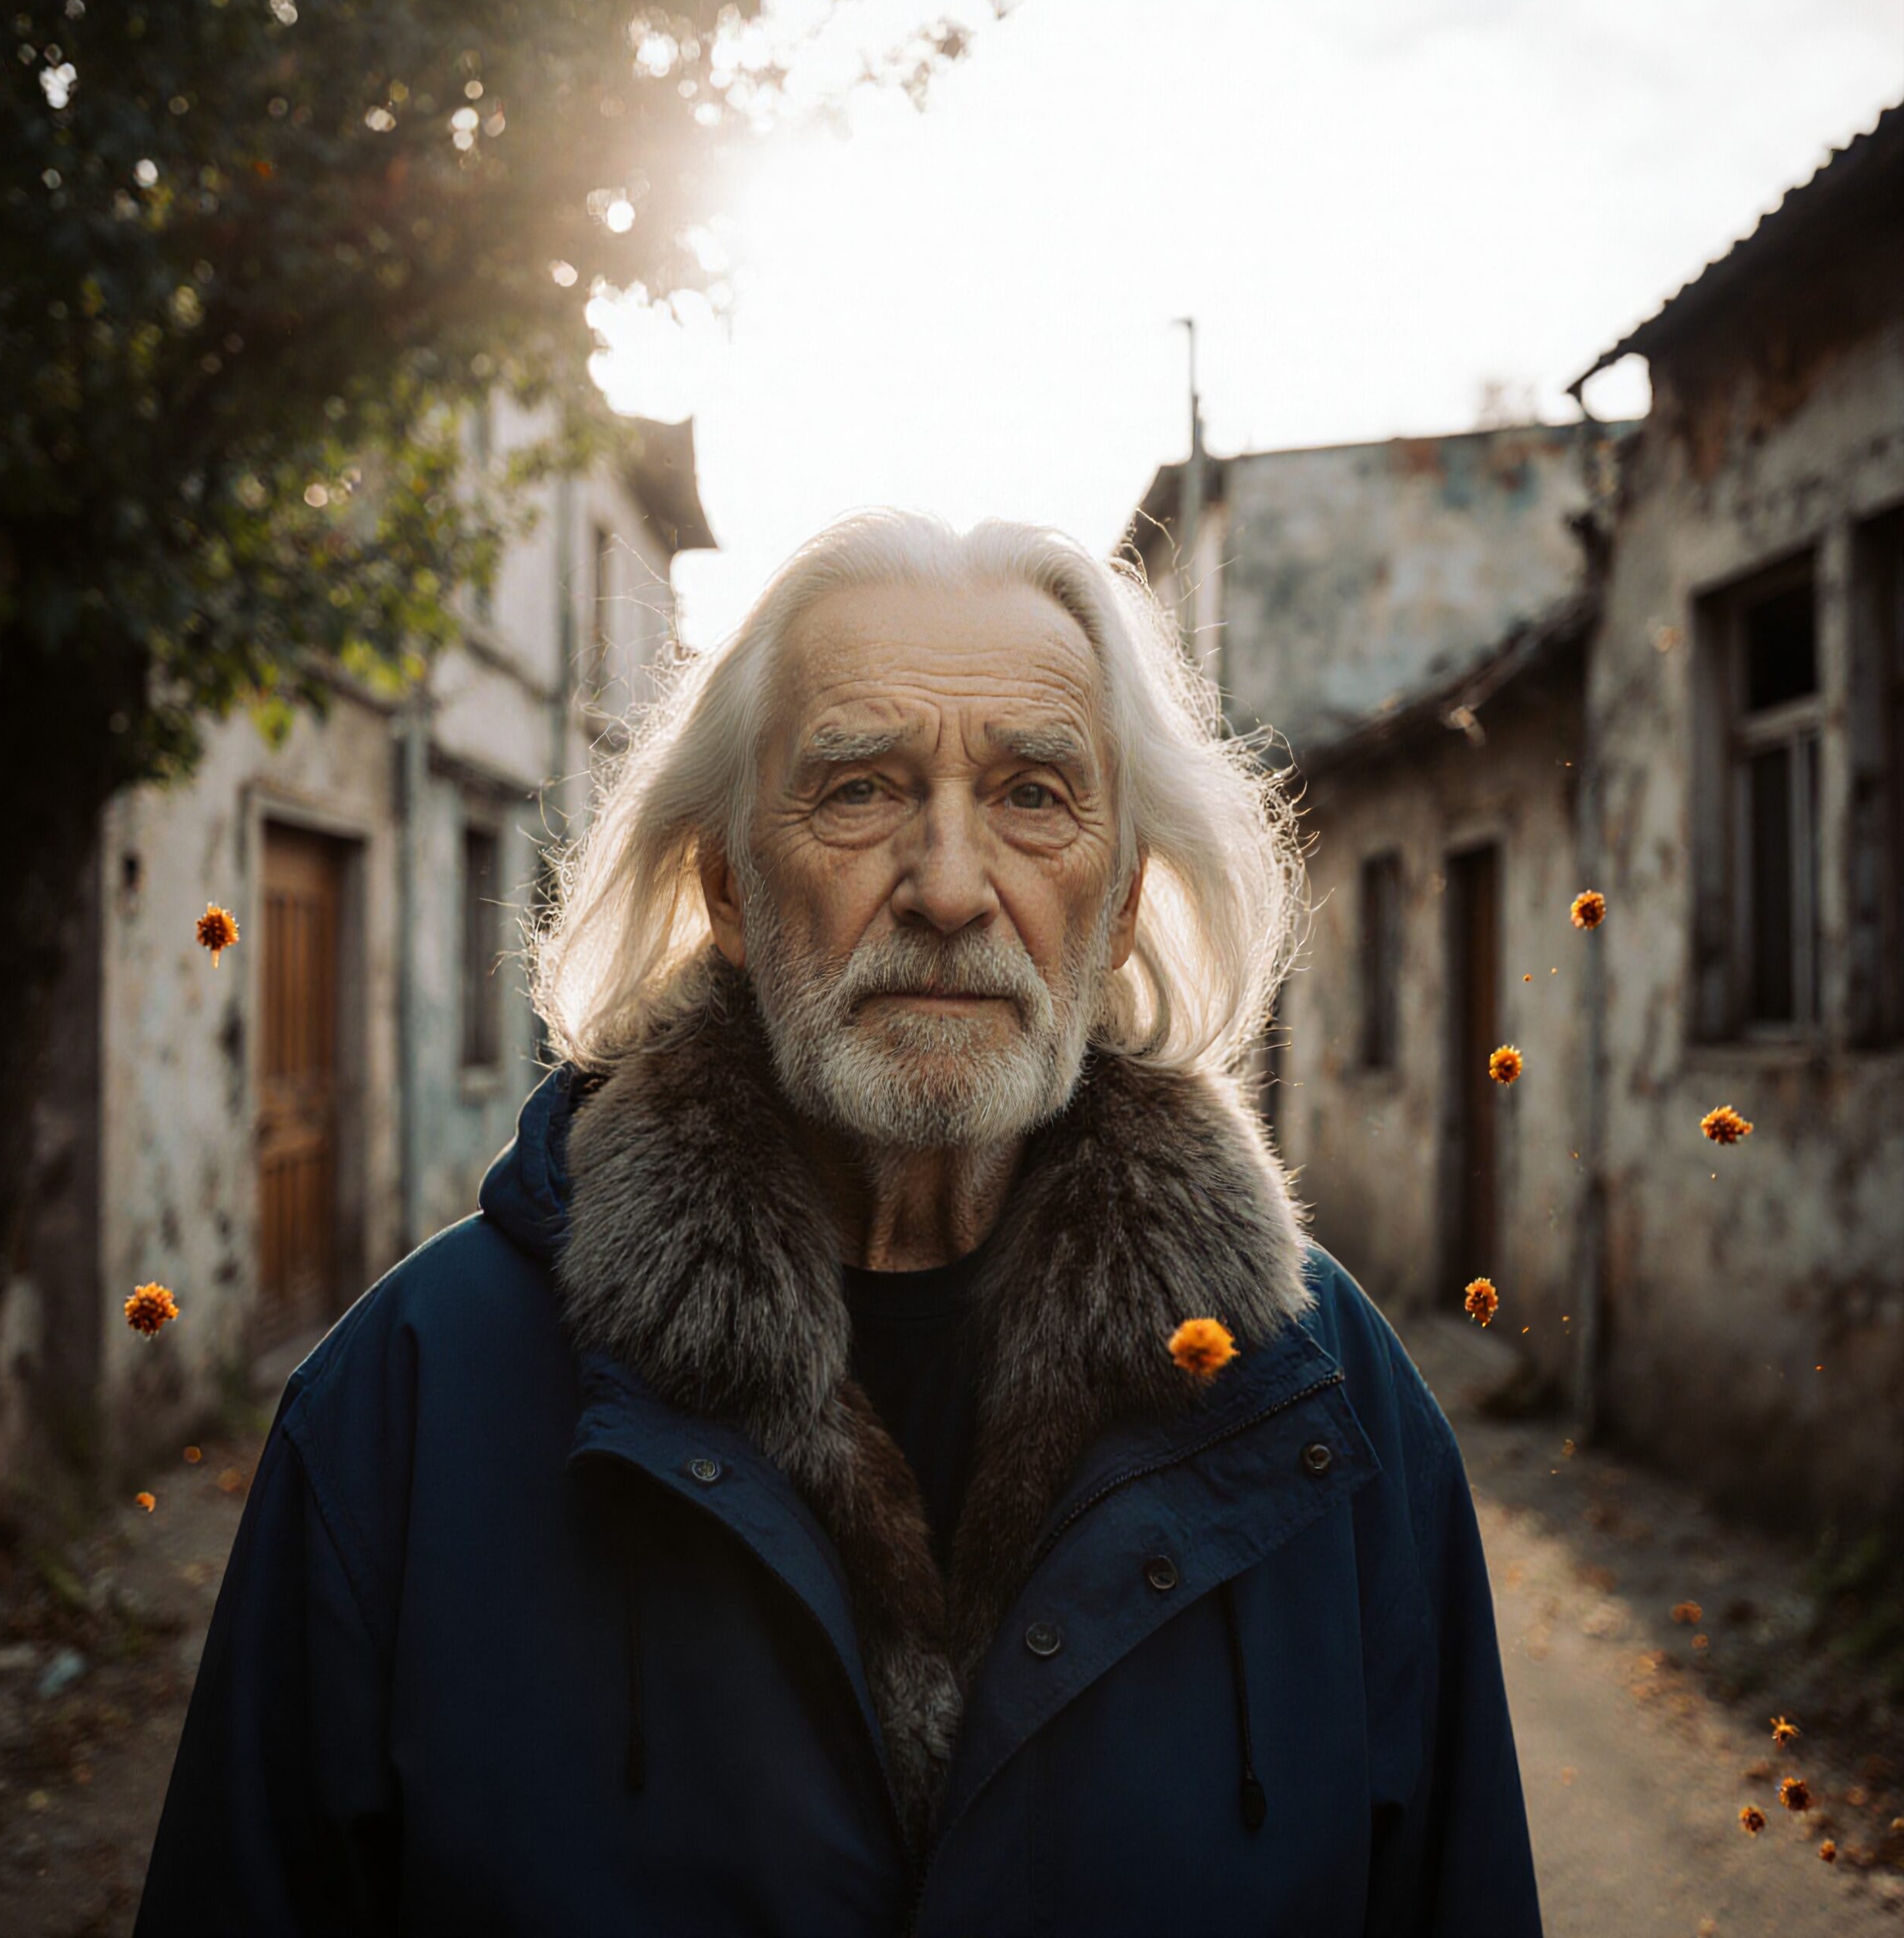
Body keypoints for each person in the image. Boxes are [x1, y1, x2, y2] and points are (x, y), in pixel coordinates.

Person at [136, 511, 1542, 1936]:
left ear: (1118, 904)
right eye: (861, 790)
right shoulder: (411, 1404)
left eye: (1035, 796)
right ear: (732, 886)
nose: (945, 887)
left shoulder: (1317, 1400)